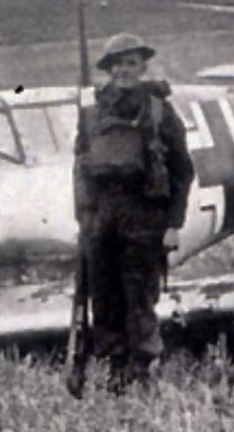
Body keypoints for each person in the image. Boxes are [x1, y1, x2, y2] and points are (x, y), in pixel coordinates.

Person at [73, 32, 194, 392]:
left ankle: (142, 369)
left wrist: (174, 223)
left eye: (131, 63)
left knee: (138, 293)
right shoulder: (92, 114)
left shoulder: (159, 111)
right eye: (117, 64)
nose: (124, 70)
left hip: (144, 212)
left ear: (142, 67)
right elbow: (79, 167)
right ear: (108, 70)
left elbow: (182, 170)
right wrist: (83, 216)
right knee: (103, 294)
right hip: (102, 213)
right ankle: (115, 367)